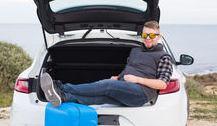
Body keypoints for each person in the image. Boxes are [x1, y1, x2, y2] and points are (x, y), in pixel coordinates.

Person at [40, 20, 173, 107]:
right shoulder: (136, 50)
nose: (148, 39)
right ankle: (63, 97)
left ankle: (62, 87)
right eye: (145, 35)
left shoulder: (163, 57)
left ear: (159, 37)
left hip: (141, 94)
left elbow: (162, 83)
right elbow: (129, 68)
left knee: (107, 85)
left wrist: (138, 79)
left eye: (151, 35)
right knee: (99, 98)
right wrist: (118, 77)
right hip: (125, 86)